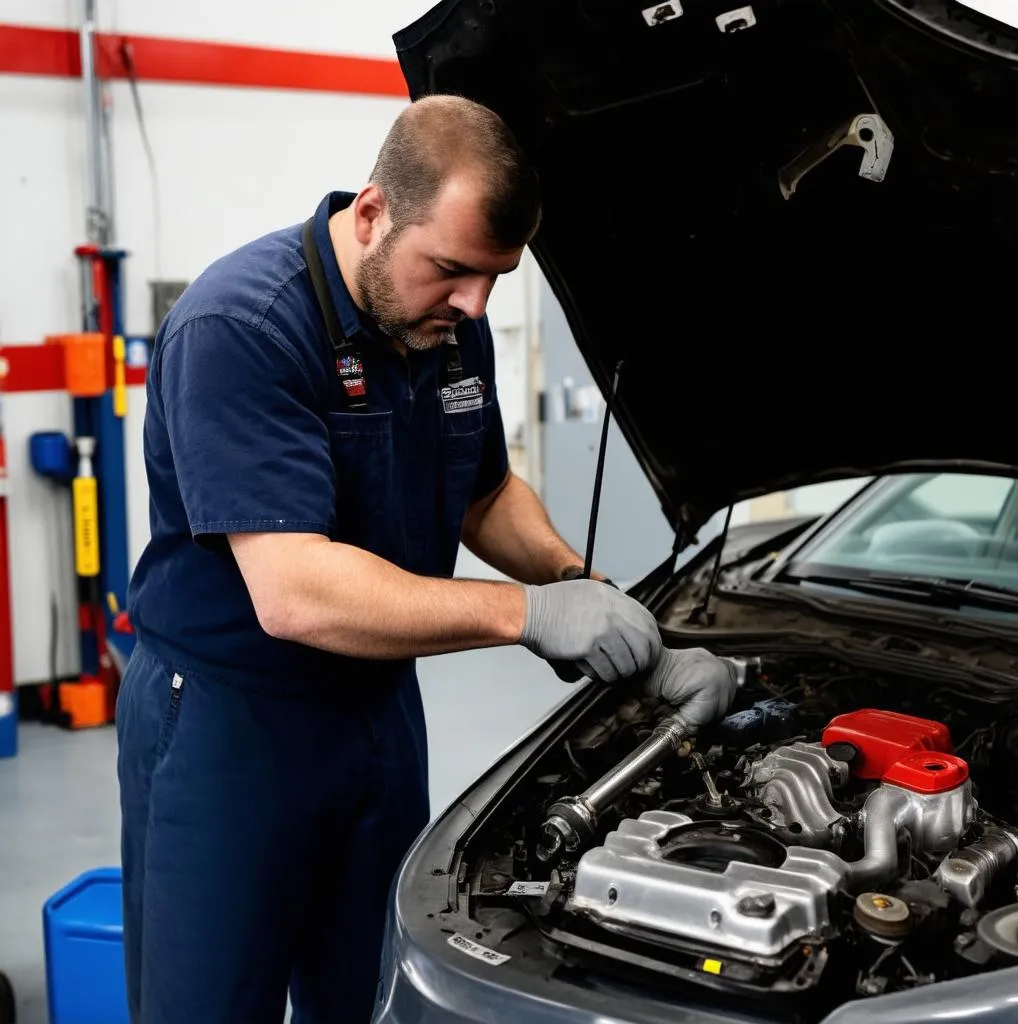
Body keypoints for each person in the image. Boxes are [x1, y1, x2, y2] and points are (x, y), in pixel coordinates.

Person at [116, 94, 738, 1024]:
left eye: (494, 279)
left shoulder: (446, 326)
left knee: (370, 995)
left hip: (376, 714)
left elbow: (483, 492)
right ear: (371, 214)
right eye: (451, 270)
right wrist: (523, 615)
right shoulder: (241, 330)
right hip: (229, 726)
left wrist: (583, 593)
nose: (474, 303)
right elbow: (294, 593)